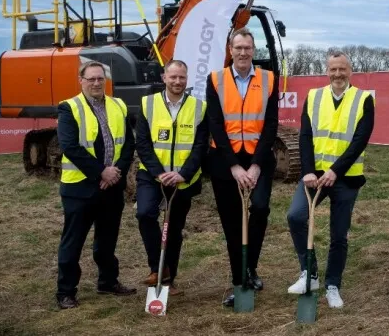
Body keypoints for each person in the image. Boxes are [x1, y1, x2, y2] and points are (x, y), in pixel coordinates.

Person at [286, 51, 374, 308]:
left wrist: (336, 170)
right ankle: (309, 273)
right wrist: (308, 171)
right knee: (295, 216)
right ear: (327, 71)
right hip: (315, 178)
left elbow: (359, 141)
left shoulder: (364, 99)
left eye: (342, 69)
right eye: (333, 69)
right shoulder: (314, 97)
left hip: (346, 178)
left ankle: (333, 284)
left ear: (350, 71)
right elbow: (305, 137)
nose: (338, 74)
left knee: (339, 234)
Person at [205, 27, 279, 307]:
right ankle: (240, 281)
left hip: (259, 159)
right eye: (238, 48)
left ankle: (250, 267)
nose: (243, 52)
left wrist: (257, 165)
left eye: (248, 48)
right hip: (226, 163)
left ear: (253, 50)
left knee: (259, 209)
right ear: (230, 49)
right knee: (233, 224)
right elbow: (215, 124)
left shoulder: (269, 79)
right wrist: (235, 166)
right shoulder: (216, 79)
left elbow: (271, 124)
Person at [55, 60, 136, 309]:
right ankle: (66, 292)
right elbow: (71, 147)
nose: (96, 83)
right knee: (73, 241)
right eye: (91, 79)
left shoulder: (118, 105)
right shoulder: (69, 108)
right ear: (81, 81)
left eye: (100, 78)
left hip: (112, 187)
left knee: (107, 240)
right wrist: (101, 172)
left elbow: (128, 144)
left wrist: (116, 172)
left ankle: (108, 282)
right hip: (80, 188)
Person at [135, 59, 209, 296]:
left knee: (174, 228)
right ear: (164, 77)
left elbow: (200, 147)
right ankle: (159, 267)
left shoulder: (200, 107)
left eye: (182, 78)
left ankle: (168, 280)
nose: (177, 81)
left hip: (183, 179)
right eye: (173, 77)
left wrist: (182, 174)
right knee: (145, 214)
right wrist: (159, 172)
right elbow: (143, 144)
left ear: (187, 80)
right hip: (152, 176)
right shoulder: (148, 104)